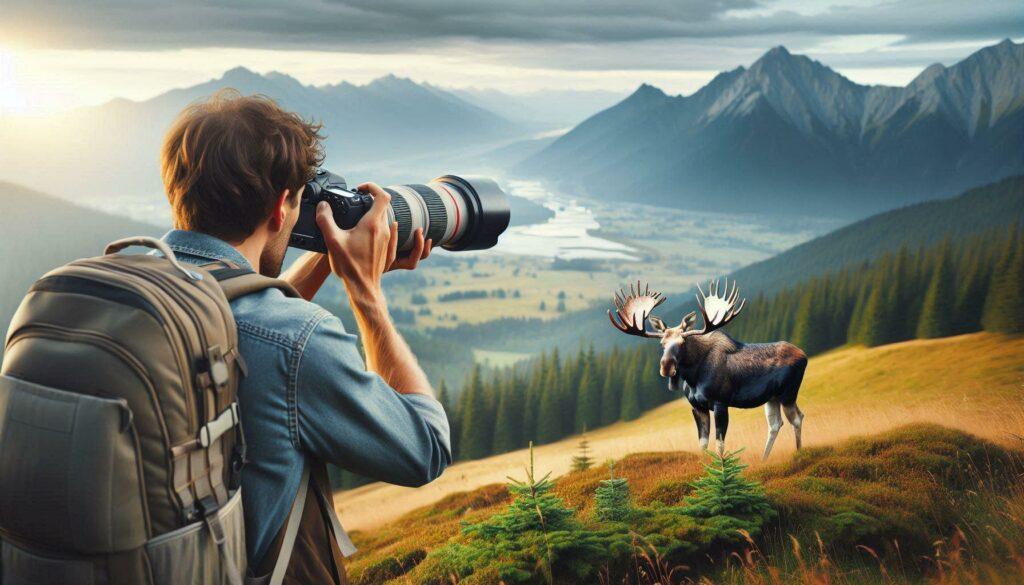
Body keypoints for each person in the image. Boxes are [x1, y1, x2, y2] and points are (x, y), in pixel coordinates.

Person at [159, 89, 451, 584]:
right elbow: (424, 449)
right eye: (297, 202)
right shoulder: (294, 340)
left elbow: (241, 318)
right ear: (281, 207)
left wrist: (328, 253)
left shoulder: (143, 283)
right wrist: (366, 293)